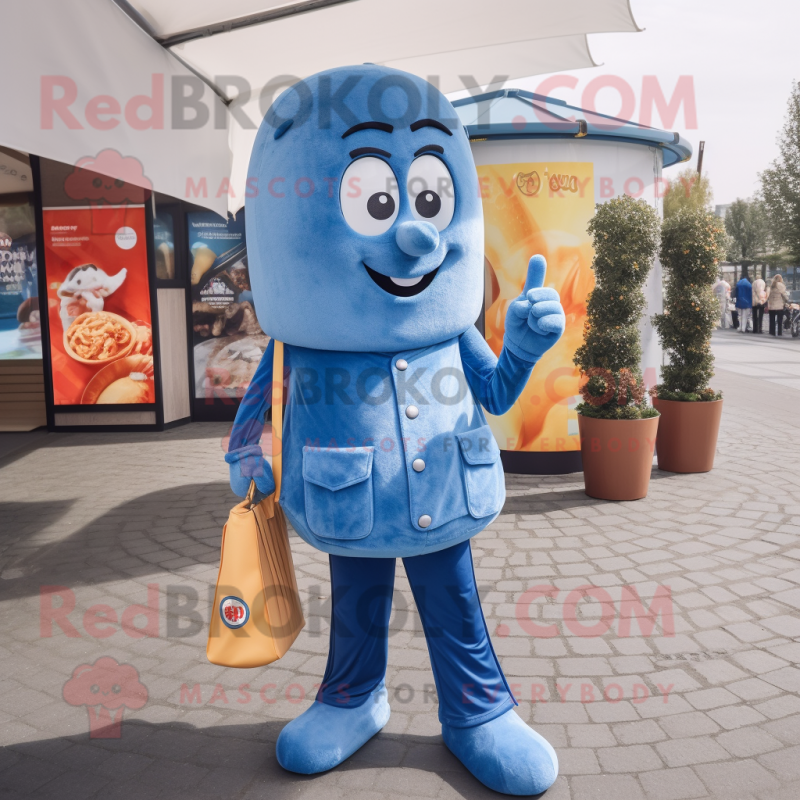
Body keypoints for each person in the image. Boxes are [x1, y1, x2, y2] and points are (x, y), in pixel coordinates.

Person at [223, 65, 563, 797]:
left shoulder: (451, 327)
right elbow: (257, 409)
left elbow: (496, 390)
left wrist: (523, 348)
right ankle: (352, 700)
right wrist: (249, 457)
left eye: (430, 200)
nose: (415, 232)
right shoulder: (299, 342)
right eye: (377, 202)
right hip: (351, 501)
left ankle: (478, 712)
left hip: (444, 495)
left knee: (456, 604)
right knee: (356, 603)